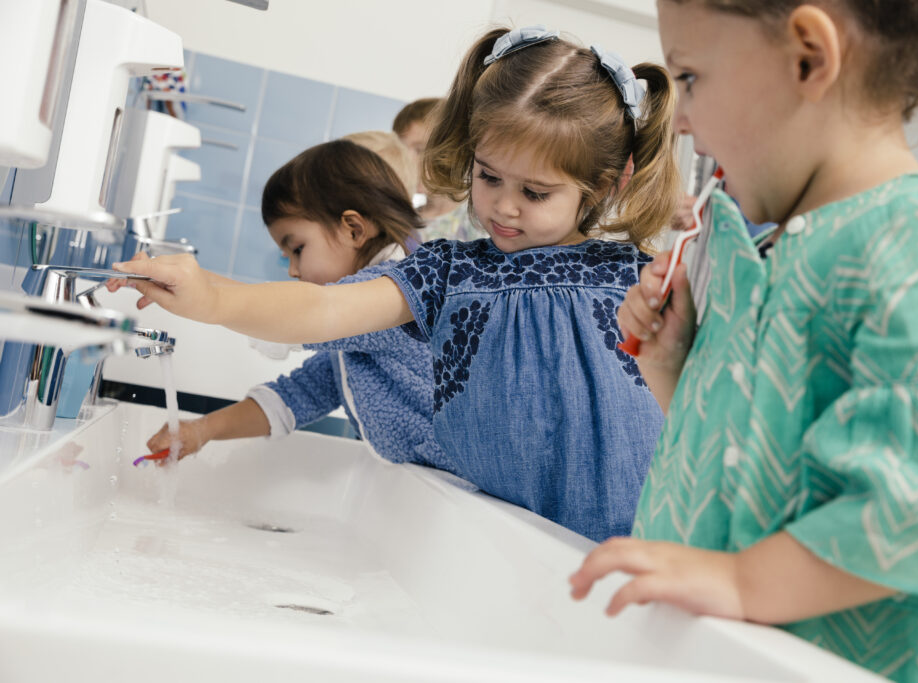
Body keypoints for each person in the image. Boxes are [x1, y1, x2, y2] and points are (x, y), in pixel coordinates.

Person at [569, 2, 918, 681]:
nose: (682, 118)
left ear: (809, 57)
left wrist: (746, 581)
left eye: (690, 77)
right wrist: (674, 370)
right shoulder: (783, 251)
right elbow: (751, 465)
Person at [114, 26, 681, 542]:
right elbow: (324, 310)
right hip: (512, 544)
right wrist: (212, 296)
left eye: (535, 193)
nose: (504, 206)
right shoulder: (447, 273)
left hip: (645, 542)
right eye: (488, 176)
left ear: (606, 185)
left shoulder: (637, 277)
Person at [139, 139, 446, 470]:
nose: (293, 270)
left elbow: (309, 312)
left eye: (297, 249)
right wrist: (201, 430)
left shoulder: (396, 295)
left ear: (354, 230)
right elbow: (301, 394)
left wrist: (206, 297)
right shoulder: (362, 337)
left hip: (455, 492)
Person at [393, 96, 486, 241]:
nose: (408, 161)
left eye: (420, 150)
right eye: (401, 151)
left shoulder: (479, 219)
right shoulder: (403, 222)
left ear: (454, 150)